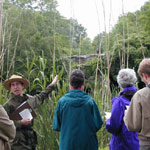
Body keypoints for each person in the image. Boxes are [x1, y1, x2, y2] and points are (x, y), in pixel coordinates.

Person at [3, 74, 58, 150]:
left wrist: (52, 85)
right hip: (17, 144)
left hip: (31, 142)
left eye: (18, 84)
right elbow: (3, 125)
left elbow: (41, 96)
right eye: (13, 85)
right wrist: (20, 122)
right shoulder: (7, 105)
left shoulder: (29, 100)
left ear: (22, 86)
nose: (16, 87)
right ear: (10, 88)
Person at [53, 69, 103, 150]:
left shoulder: (62, 102)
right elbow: (98, 124)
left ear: (70, 84)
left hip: (67, 145)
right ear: (83, 83)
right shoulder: (90, 102)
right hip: (88, 146)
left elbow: (56, 126)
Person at [106, 68, 139, 150]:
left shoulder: (119, 102)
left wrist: (108, 120)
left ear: (120, 82)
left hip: (122, 145)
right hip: (139, 144)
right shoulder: (142, 98)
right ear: (134, 80)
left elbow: (114, 127)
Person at [124, 58, 150, 150]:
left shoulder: (140, 95)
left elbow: (133, 125)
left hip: (147, 143)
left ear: (145, 76)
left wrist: (127, 114)